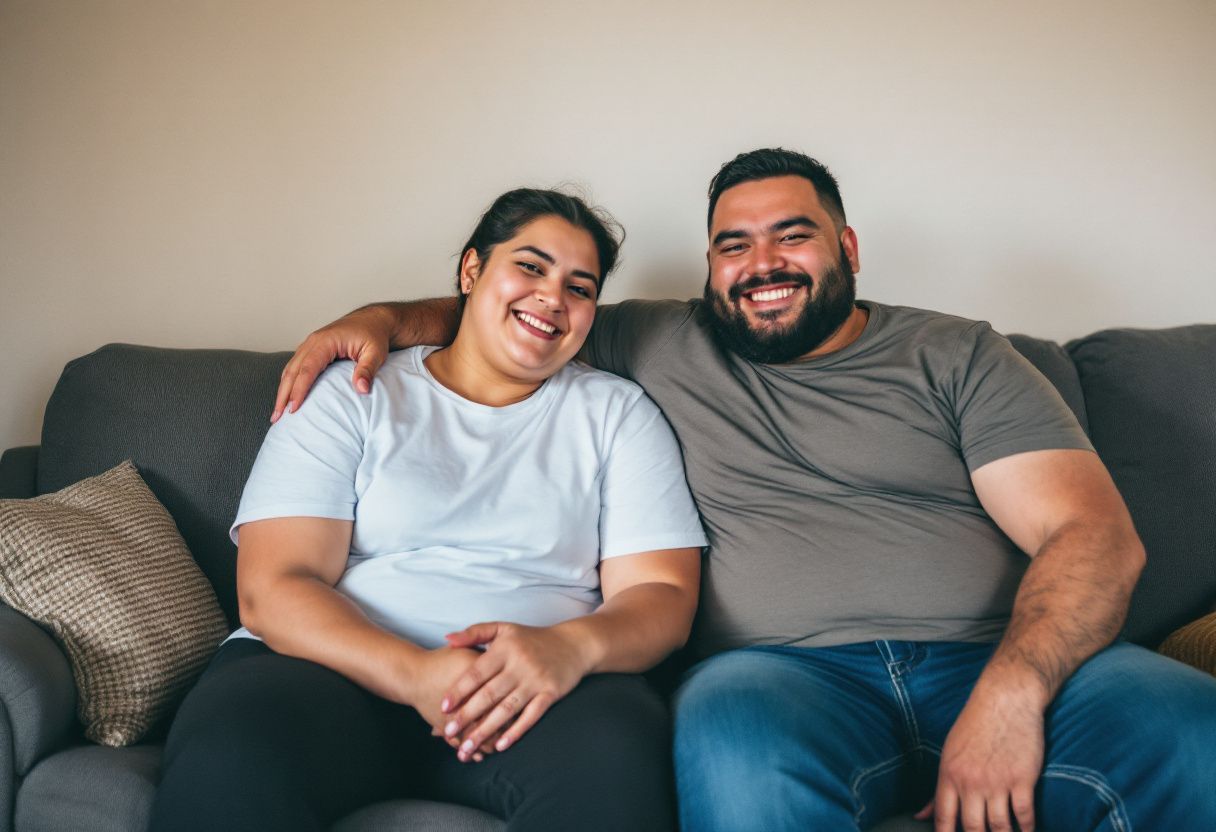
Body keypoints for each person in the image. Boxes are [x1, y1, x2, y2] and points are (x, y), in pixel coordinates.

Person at [272, 150, 1216, 832]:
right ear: (712, 267)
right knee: (735, 749)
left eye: (791, 234)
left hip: (997, 655)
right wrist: (381, 318)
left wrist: (1014, 692)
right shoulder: (649, 338)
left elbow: (1095, 536)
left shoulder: (957, 351)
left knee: (1190, 727)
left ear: (846, 244)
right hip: (785, 676)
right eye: (733, 244)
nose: (761, 263)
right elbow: (515, 317)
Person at [148, 188, 707, 832]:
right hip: (326, 671)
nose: (554, 297)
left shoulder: (618, 415)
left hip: (533, 691)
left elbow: (662, 595)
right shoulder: (354, 390)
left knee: (614, 762)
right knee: (231, 757)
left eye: (580, 287)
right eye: (530, 266)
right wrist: (415, 675)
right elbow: (274, 588)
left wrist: (571, 648)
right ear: (471, 272)